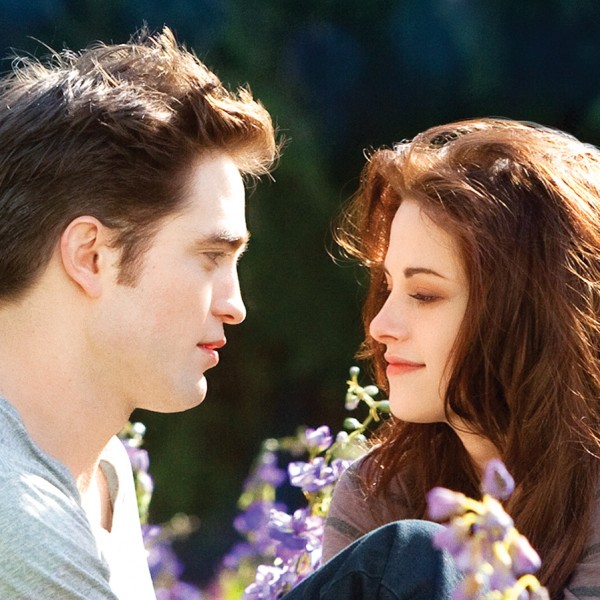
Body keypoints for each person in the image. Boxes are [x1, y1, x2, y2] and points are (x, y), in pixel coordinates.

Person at [0, 28, 277, 599]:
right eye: (211, 256)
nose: (235, 306)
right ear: (91, 256)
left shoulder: (104, 467)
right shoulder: (17, 519)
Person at [285, 118, 600, 600]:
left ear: (529, 313)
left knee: (414, 555)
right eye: (387, 287)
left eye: (425, 294)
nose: (380, 325)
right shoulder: (381, 488)